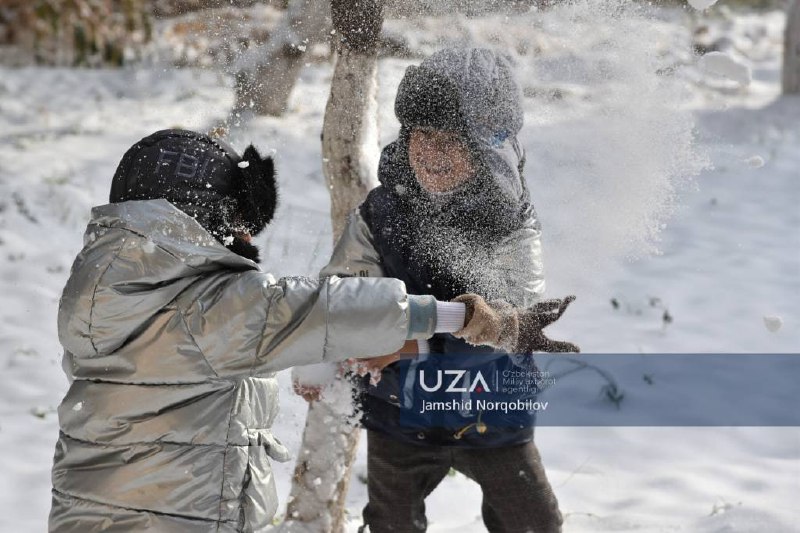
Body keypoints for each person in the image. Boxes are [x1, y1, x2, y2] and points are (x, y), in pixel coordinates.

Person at [48, 129, 530, 532]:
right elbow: (325, 310)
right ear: (198, 218)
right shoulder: (210, 309)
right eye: (239, 221)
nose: (248, 238)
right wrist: (455, 317)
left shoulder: (104, 293)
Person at [311, 48, 579, 532]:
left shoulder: (510, 224)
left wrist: (411, 344)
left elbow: (514, 323)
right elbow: (346, 293)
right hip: (400, 413)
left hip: (491, 411)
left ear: (484, 146)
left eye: (452, 140)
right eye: (423, 135)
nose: (432, 153)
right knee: (391, 520)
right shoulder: (381, 213)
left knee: (533, 522)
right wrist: (329, 354)